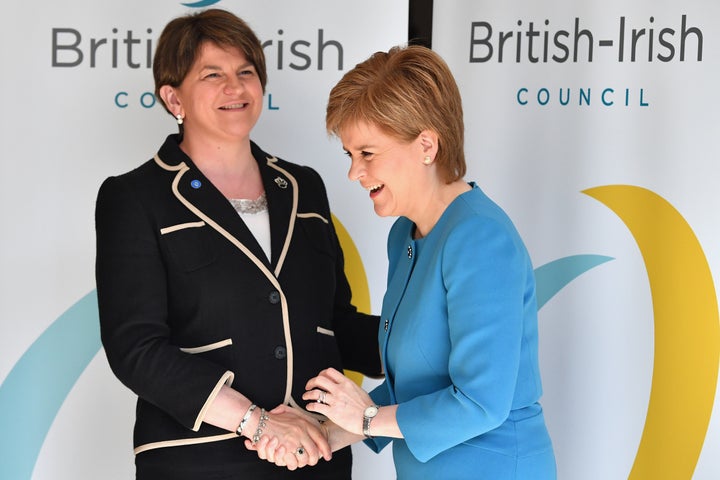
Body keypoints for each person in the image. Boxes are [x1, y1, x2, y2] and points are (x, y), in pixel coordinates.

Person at [94, 9, 381, 479]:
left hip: (314, 454)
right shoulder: (134, 197)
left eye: (246, 72)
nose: (236, 87)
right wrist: (258, 422)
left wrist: (419, 341)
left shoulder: (304, 186)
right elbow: (136, 348)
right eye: (214, 75)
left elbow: (336, 324)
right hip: (199, 460)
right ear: (174, 97)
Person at [251, 44, 557, 479]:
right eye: (350, 155)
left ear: (427, 145)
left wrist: (365, 418)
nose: (354, 173)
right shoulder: (404, 236)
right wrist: (318, 433)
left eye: (367, 154)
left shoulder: (481, 238)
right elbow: (413, 388)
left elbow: (480, 402)